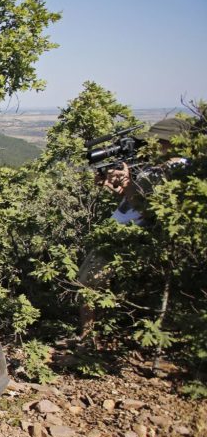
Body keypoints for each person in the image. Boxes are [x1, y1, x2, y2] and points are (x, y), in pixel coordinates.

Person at [78, 117, 190, 336]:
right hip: (120, 230)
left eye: (159, 141)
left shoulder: (177, 169)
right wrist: (115, 184)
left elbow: (151, 209)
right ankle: (91, 337)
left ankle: (87, 340)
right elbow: (134, 199)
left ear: (173, 142)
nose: (153, 145)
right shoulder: (162, 166)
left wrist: (128, 183)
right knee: (88, 285)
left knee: (87, 287)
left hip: (127, 236)